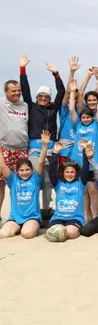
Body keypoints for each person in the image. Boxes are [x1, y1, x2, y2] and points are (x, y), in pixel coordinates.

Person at [19, 54, 65, 215]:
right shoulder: (31, 107)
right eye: (41, 96)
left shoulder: (54, 108)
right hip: (34, 148)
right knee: (33, 180)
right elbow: (24, 89)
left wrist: (56, 74)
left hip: (51, 148)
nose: (44, 98)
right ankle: (32, 210)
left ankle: (46, 210)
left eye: (46, 96)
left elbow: (62, 91)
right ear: (37, 97)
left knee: (48, 182)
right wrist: (22, 69)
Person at [0, 131, 50, 238]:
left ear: (32, 170)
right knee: (4, 234)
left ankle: (31, 225)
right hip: (15, 218)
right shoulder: (13, 180)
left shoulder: (35, 179)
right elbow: (3, 166)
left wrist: (45, 145)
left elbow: (41, 162)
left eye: (27, 169)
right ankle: (18, 226)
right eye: (21, 170)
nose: (25, 172)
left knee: (27, 234)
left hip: (32, 217)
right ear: (17, 171)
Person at [68, 80, 98, 222]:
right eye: (83, 117)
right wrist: (72, 92)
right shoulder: (77, 124)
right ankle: (85, 216)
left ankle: (95, 216)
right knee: (82, 190)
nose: (86, 119)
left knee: (93, 189)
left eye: (88, 117)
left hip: (93, 162)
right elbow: (72, 109)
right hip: (78, 162)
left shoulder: (97, 124)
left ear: (93, 117)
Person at [46, 140, 92, 241]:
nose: (69, 174)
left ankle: (75, 229)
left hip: (75, 218)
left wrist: (85, 151)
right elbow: (52, 171)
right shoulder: (58, 183)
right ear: (63, 173)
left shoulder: (80, 183)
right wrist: (55, 153)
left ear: (76, 173)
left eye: (72, 172)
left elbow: (85, 169)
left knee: (69, 233)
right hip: (58, 217)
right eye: (67, 172)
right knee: (51, 234)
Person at [0, 67, 29, 219]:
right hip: (4, 149)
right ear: (6, 92)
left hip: (22, 150)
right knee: (1, 185)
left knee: (20, 185)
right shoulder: (1, 103)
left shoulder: (24, 106)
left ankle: (17, 215)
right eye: (13, 91)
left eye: (19, 91)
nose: (17, 93)